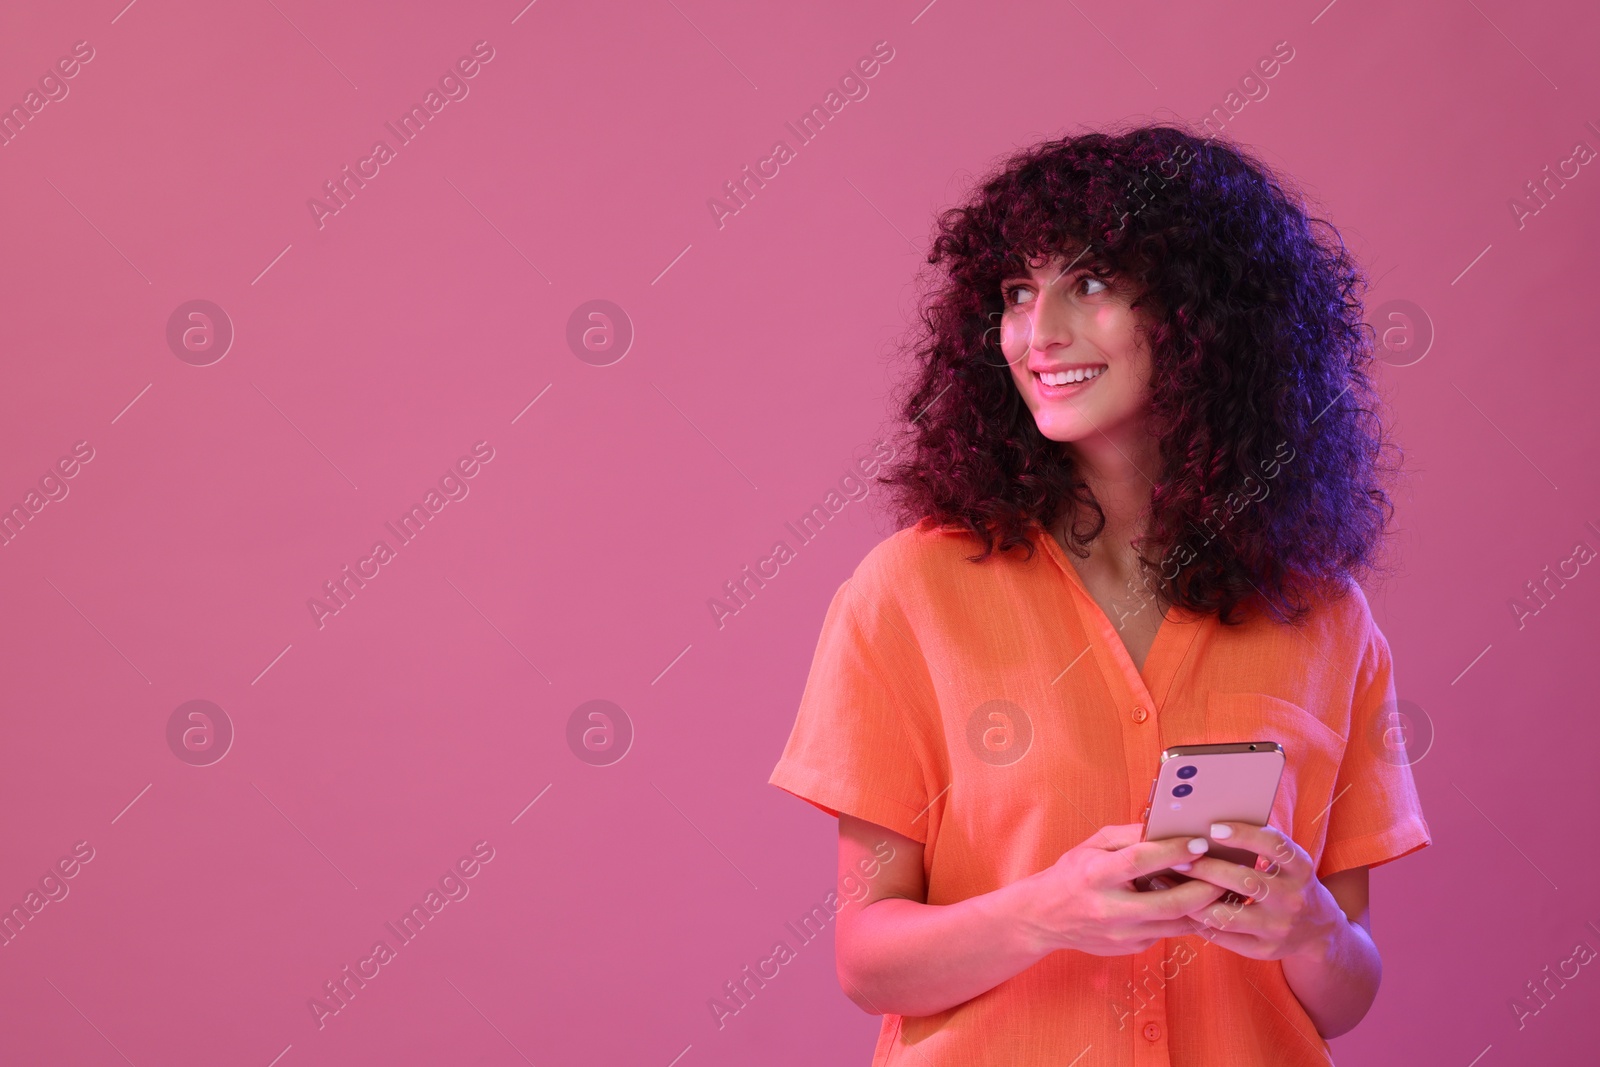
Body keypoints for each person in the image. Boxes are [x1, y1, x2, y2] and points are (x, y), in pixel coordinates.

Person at [768, 122, 1431, 1065]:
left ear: (1208, 316)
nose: (1040, 334)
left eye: (1088, 284)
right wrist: (1044, 912)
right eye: (1015, 292)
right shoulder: (908, 594)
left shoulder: (1324, 618)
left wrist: (1308, 926)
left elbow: (1344, 993)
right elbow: (866, 958)